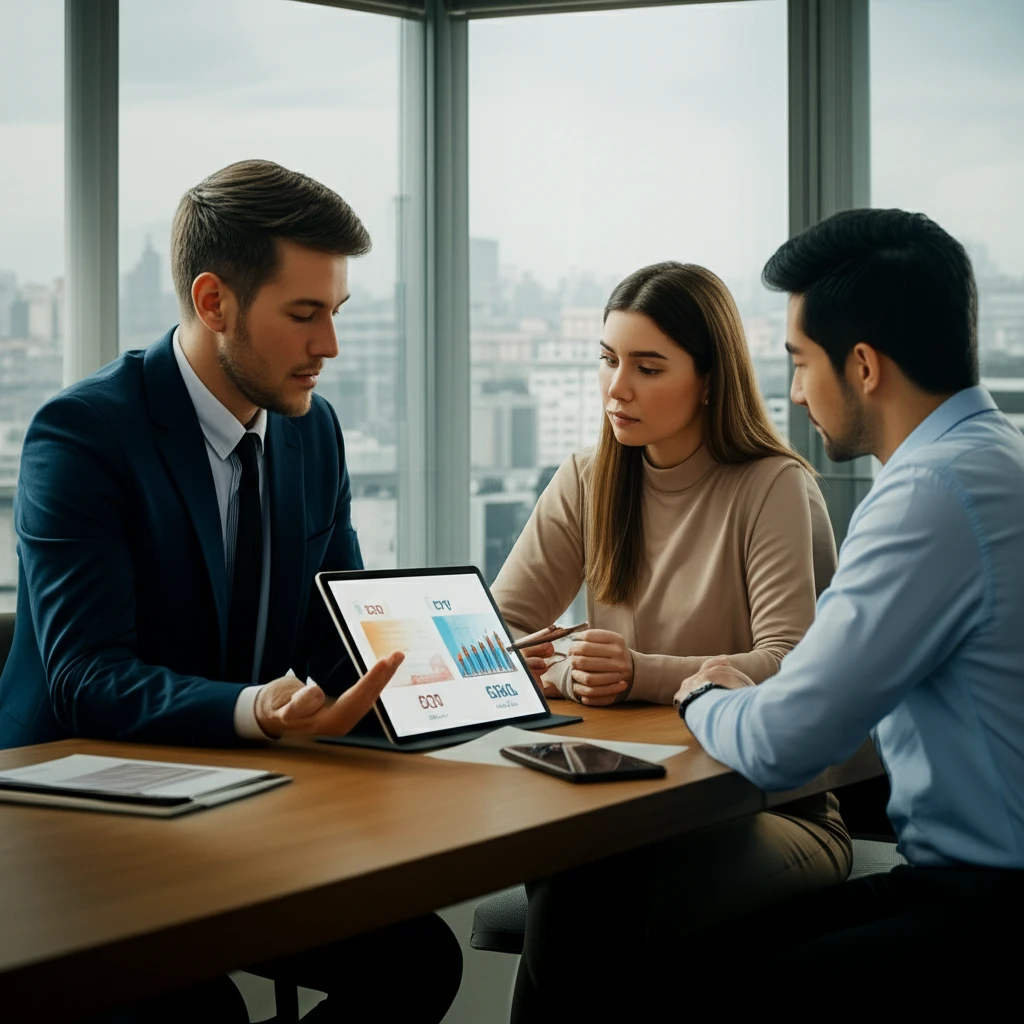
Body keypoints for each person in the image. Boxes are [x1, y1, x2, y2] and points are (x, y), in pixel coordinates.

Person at [0, 160, 461, 1023]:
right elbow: (85, 676)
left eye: (336, 313)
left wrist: (464, 669)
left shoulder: (310, 430)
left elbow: (334, 628)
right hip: (77, 819)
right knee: (198, 1011)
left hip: (237, 800)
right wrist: (256, 709)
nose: (329, 346)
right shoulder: (84, 433)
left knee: (416, 961)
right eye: (304, 314)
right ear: (214, 303)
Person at [666, 209, 1024, 1002]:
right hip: (970, 887)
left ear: (862, 365)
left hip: (984, 907)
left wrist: (706, 695)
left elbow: (787, 743)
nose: (794, 395)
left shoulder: (929, 495)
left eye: (799, 363)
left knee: (677, 979)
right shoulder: (1001, 458)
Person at [490, 262, 851, 1023]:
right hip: (624, 799)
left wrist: (637, 672)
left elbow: (789, 663)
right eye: (607, 358)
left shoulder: (773, 485)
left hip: (777, 812)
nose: (616, 386)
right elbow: (494, 634)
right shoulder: (589, 477)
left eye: (647, 367)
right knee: (576, 873)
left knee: (585, 888)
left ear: (711, 378)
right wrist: (565, 671)